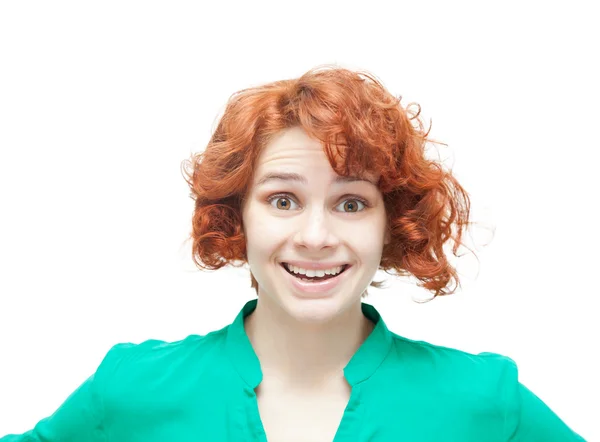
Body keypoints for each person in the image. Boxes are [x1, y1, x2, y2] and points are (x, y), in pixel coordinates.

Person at [1, 66, 585, 441]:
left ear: (391, 225)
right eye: (283, 199)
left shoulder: (484, 400)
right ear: (237, 217)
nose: (314, 235)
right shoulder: (132, 386)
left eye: (351, 204)